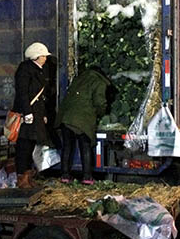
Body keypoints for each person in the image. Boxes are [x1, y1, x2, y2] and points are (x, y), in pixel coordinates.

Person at [55, 67, 111, 185]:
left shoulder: (78, 79)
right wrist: (101, 113)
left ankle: (64, 176)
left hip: (66, 117)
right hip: (82, 119)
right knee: (85, 146)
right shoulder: (99, 82)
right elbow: (99, 102)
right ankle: (87, 177)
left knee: (67, 147)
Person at [13, 42, 51, 189]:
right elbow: (23, 93)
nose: (45, 58)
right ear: (36, 56)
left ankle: (28, 177)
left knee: (31, 146)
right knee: (24, 146)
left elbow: (42, 96)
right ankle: (22, 178)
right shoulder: (25, 70)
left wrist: (43, 114)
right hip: (27, 115)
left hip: (36, 114)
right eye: (43, 56)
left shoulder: (39, 69)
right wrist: (27, 112)